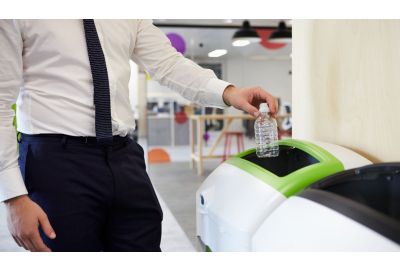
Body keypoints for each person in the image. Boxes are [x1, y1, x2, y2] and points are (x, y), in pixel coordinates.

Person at [0, 19, 277, 252]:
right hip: (56, 162)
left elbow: (169, 64)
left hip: (123, 156)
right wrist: (13, 197)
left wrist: (229, 92)